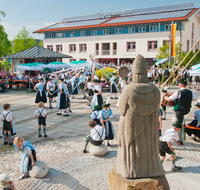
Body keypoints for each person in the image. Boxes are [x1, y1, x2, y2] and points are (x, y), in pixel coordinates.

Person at [164, 78, 197, 145]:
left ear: (181, 85)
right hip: (187, 110)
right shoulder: (190, 92)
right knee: (181, 121)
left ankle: (180, 140)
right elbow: (195, 98)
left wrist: (164, 97)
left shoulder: (179, 92)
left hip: (179, 110)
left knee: (178, 124)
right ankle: (182, 131)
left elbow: (170, 99)